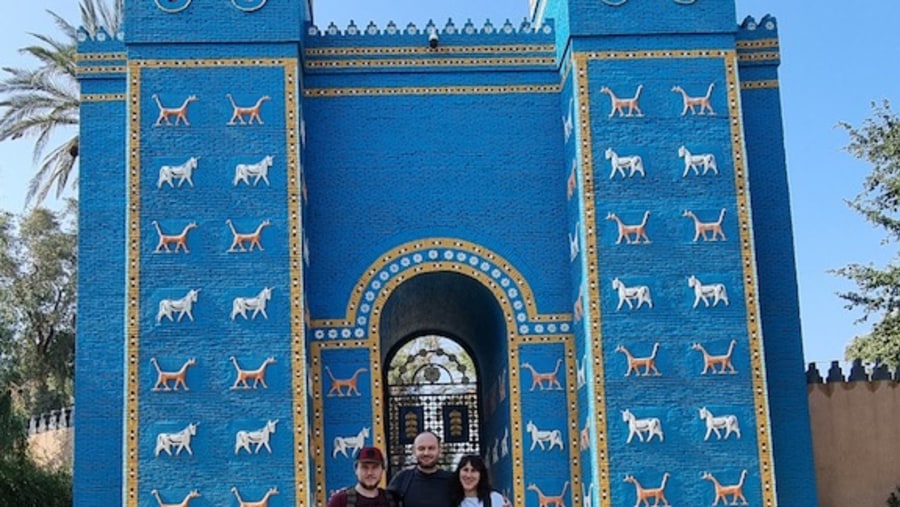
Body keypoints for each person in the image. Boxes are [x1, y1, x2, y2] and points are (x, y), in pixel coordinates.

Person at [387, 431, 454, 507]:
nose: (426, 453)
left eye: (431, 448)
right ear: (414, 451)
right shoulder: (402, 479)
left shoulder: (452, 481)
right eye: (421, 448)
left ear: (439, 450)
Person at [328, 446, 398, 507]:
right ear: (356, 469)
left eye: (375, 467)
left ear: (382, 469)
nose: (370, 472)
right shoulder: (341, 501)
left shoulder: (392, 501)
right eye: (364, 467)